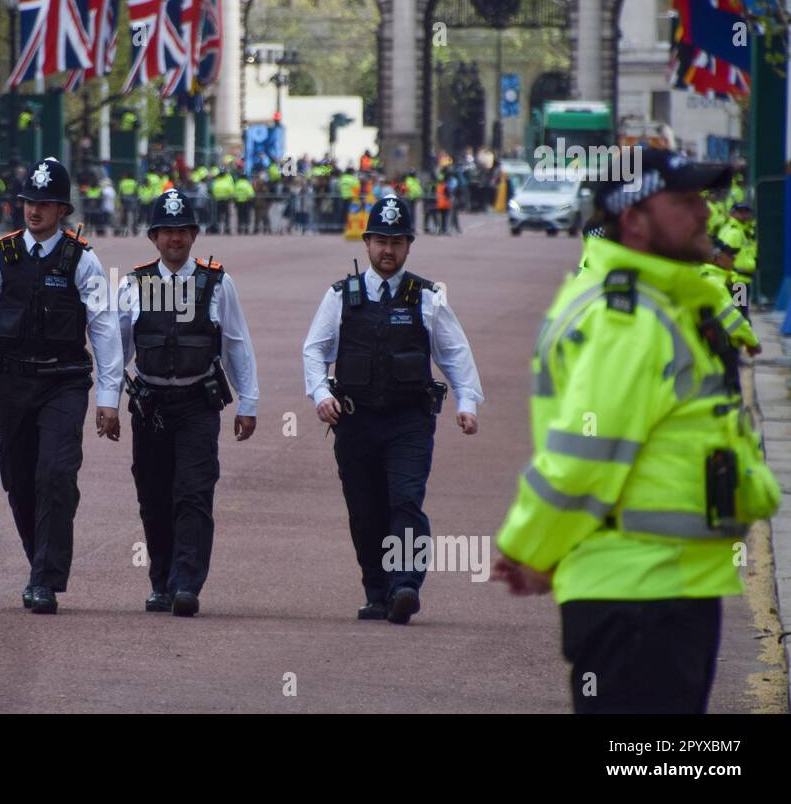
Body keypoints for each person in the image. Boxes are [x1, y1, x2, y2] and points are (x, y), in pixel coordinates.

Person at [493, 149, 781, 714]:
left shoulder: (657, 304)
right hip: (639, 595)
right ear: (634, 219)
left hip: (665, 586)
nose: (705, 212)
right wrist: (531, 553)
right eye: (685, 200)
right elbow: (584, 457)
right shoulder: (627, 320)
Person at [0, 158, 124, 615]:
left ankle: (43, 578)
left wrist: (109, 398)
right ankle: (40, 564)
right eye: (30, 202)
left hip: (63, 383)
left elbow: (104, 329)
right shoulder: (1, 256)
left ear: (62, 209)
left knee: (56, 473)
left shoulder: (82, 259)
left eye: (45, 204)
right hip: (11, 385)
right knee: (18, 479)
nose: (34, 211)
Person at [303, 195, 483, 624]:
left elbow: (454, 352)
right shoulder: (340, 296)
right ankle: (377, 591)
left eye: (397, 241)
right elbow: (315, 350)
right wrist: (319, 395)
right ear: (366, 243)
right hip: (355, 420)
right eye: (380, 240)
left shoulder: (427, 297)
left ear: (409, 246)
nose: (388, 250)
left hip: (409, 421)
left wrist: (467, 401)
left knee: (405, 500)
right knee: (365, 511)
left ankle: (406, 584)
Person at [117, 188, 259, 617]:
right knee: (154, 496)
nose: (174, 239)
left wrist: (247, 401)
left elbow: (236, 343)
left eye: (182, 231)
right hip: (151, 407)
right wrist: (107, 402)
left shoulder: (218, 283)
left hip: (199, 403)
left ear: (194, 235)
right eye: (166, 232)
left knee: (194, 493)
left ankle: (186, 583)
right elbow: (116, 350)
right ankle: (161, 581)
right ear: (153, 238)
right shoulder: (134, 284)